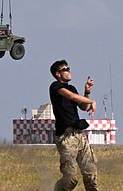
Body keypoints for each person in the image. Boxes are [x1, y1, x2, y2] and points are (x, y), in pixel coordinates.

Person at [49, 60, 98, 191]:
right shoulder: (55, 87)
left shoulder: (72, 88)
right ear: (58, 74)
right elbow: (72, 97)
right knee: (71, 179)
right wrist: (92, 101)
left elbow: (83, 107)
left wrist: (87, 92)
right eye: (66, 69)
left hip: (79, 135)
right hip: (66, 138)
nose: (69, 71)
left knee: (91, 174)